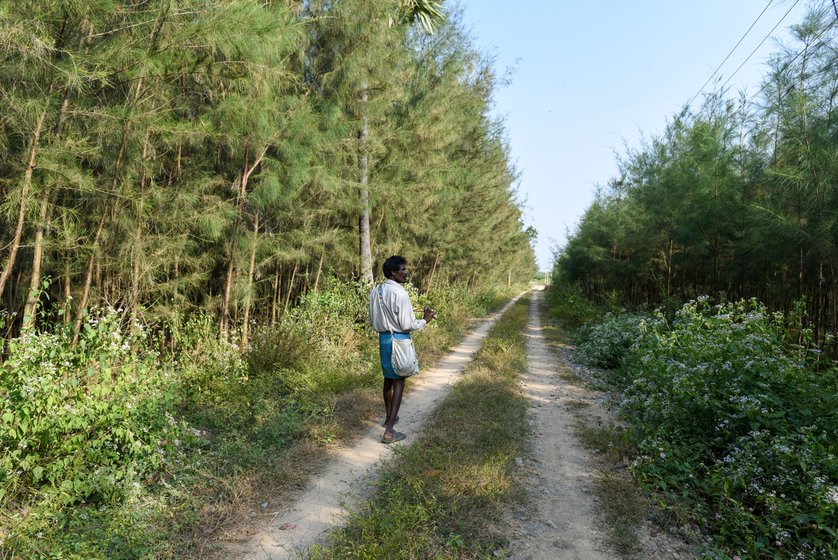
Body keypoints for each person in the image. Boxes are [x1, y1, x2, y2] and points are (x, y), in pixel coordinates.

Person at [369, 255, 436, 443]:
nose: (406, 273)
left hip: (383, 339)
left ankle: (390, 417)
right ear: (393, 272)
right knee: (399, 381)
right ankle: (390, 431)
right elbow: (407, 324)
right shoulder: (400, 293)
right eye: (403, 269)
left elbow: (373, 320)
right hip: (399, 340)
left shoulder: (376, 291)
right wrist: (425, 319)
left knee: (388, 380)